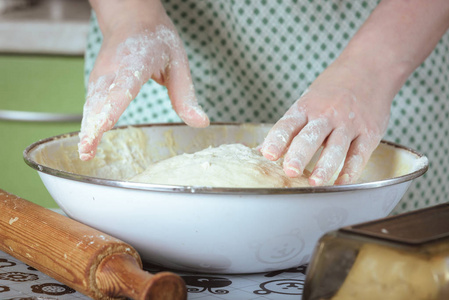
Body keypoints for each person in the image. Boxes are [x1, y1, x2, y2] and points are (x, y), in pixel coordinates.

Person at [79, 0, 449, 213]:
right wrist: (129, 16)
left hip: (390, 50)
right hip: (178, 52)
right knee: (158, 221)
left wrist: (370, 69)